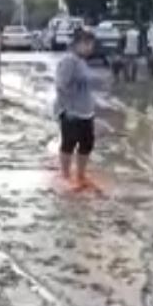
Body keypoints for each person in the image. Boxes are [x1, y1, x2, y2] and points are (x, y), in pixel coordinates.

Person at [55, 28, 98, 188]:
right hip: (71, 113)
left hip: (86, 112)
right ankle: (65, 175)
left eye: (91, 44)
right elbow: (60, 85)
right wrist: (67, 108)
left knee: (87, 143)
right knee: (69, 143)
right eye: (87, 44)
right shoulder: (69, 61)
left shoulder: (81, 61)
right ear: (77, 44)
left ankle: (81, 174)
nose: (90, 48)